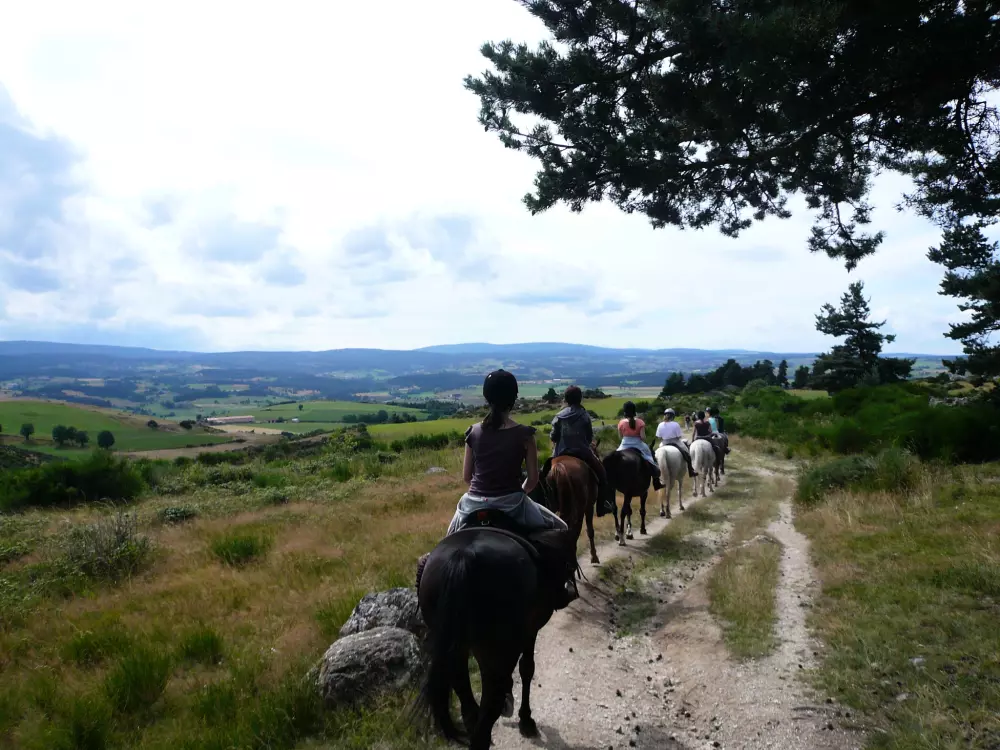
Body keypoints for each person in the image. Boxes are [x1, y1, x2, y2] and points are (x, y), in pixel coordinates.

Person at [440, 369, 578, 609]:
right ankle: (563, 587)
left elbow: (466, 477)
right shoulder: (525, 435)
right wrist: (518, 494)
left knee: (442, 549)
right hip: (512, 503)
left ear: (486, 398)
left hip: (472, 502)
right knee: (562, 527)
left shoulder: (472, 432)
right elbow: (533, 480)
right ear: (514, 399)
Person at [542, 385, 615, 516]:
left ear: (566, 399)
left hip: (560, 452)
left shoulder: (559, 416)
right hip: (582, 452)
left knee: (541, 475)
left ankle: (542, 504)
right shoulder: (584, 415)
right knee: (603, 476)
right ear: (580, 399)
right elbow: (588, 437)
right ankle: (603, 505)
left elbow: (553, 436)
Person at [617, 401, 664, 490]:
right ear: (634, 411)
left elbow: (620, 437)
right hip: (638, 444)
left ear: (625, 411)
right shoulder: (640, 422)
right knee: (650, 458)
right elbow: (642, 437)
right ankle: (656, 481)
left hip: (624, 444)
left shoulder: (621, 422)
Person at [655, 408, 697, 478]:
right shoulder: (675, 424)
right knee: (687, 454)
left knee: (656, 455)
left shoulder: (660, 424)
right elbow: (679, 436)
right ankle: (691, 471)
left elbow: (659, 437)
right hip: (675, 442)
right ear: (673, 416)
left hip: (664, 443)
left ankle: (656, 474)